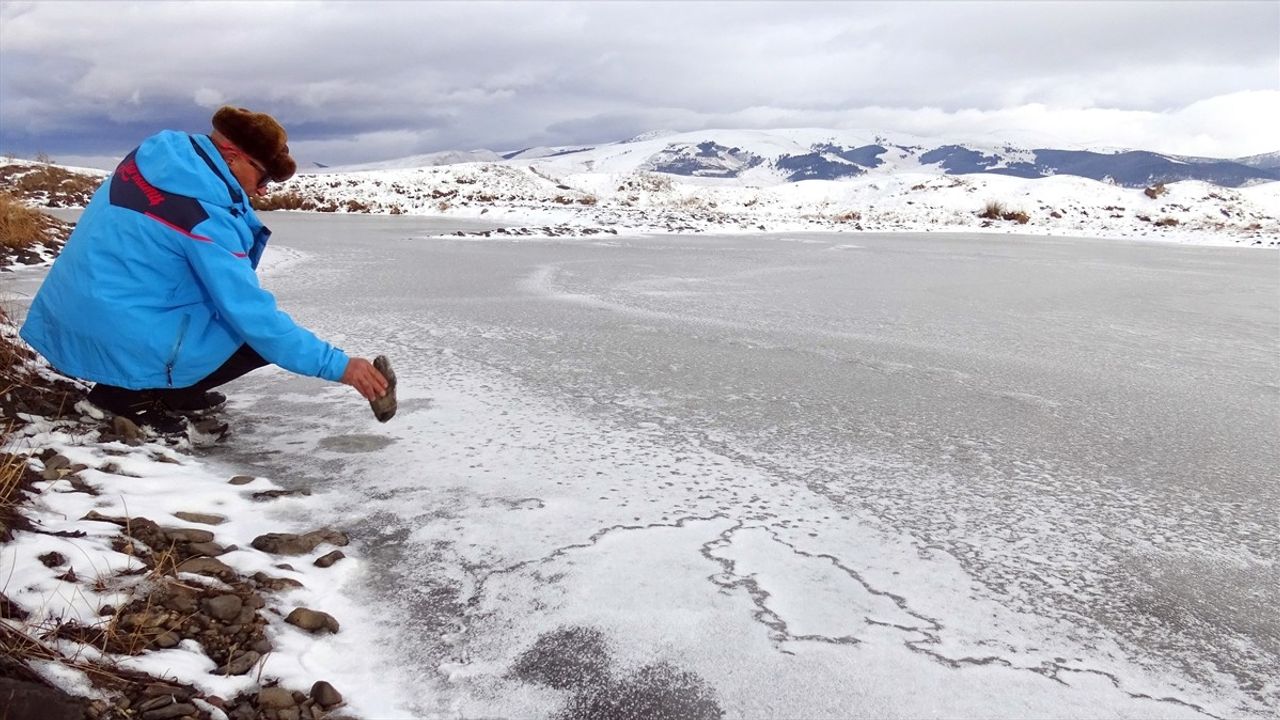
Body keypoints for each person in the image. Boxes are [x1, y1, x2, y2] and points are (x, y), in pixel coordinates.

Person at [20, 106, 388, 435]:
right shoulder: (204, 218)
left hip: (74, 313)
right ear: (231, 157)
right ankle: (125, 399)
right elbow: (253, 316)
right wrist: (341, 367)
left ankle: (172, 390)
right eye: (261, 177)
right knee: (252, 338)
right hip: (116, 327)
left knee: (215, 312)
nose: (261, 191)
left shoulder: (158, 160)